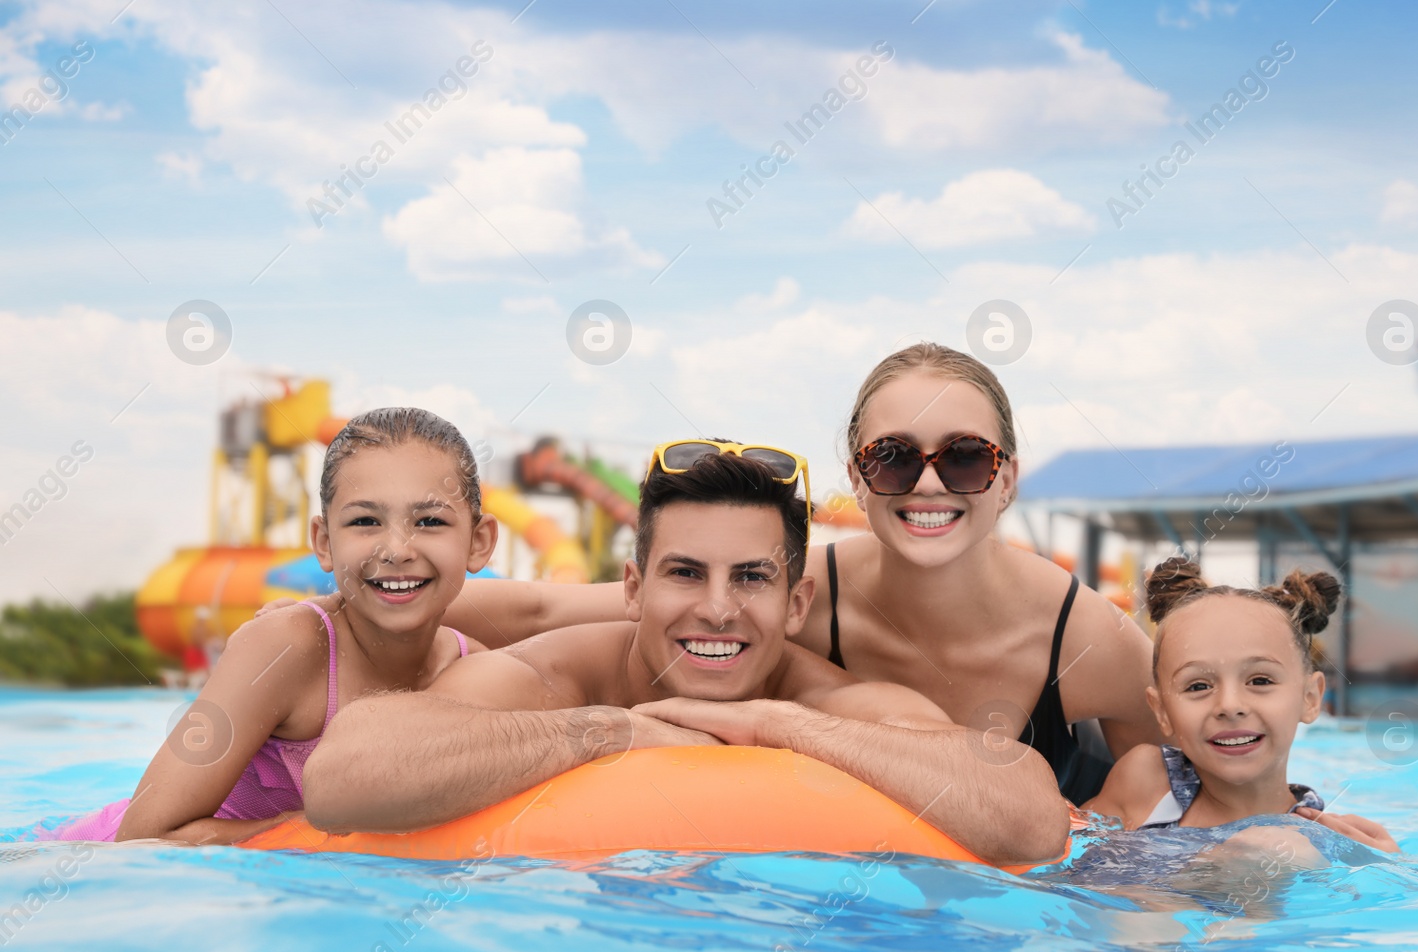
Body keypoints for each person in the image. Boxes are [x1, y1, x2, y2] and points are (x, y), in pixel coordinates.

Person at [302, 444, 1071, 866]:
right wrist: (608, 731)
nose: (716, 607)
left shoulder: (833, 704)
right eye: (684, 573)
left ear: (796, 603)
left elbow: (1033, 821)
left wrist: (777, 726)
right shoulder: (558, 676)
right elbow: (342, 779)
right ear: (633, 586)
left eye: (751, 577)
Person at [44, 408, 496, 844]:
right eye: (365, 521)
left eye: (430, 521)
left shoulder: (475, 668)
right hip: (82, 856)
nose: (396, 548)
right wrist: (332, 827)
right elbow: (143, 835)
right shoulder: (289, 647)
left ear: (479, 542)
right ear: (323, 542)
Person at [793, 342, 1163, 804]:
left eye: (965, 456)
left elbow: (1192, 811)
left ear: (1005, 481)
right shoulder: (796, 601)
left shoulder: (1087, 638)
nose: (928, 484)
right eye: (893, 458)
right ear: (856, 479)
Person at [1083, 556, 1398, 853]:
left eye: (1260, 681)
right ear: (1162, 712)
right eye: (1198, 686)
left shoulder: (1320, 843)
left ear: (1309, 698)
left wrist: (1389, 868)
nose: (1229, 705)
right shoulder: (1146, 783)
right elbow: (1061, 859)